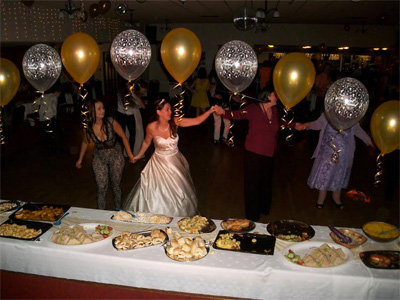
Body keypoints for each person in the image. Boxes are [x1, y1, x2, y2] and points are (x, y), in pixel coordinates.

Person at [122, 99, 221, 217]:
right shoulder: (151, 127)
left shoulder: (175, 121)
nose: (170, 112)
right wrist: (137, 156)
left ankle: (177, 217)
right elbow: (146, 143)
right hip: (158, 163)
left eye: (170, 109)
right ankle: (156, 217)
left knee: (178, 192)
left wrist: (210, 111)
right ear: (158, 112)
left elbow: (197, 121)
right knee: (156, 192)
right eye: (167, 110)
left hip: (174, 162)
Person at [221, 85, 284, 222]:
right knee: (252, 184)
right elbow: (236, 115)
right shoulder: (253, 109)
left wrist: (294, 125)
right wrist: (222, 112)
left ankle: (264, 208)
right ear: (267, 96)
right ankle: (252, 214)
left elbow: (279, 124)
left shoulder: (275, 111)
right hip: (253, 152)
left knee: (266, 182)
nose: (277, 97)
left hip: (269, 153)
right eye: (274, 95)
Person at [295, 114, 374, 209]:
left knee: (339, 175)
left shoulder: (351, 118)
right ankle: (321, 199)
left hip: (343, 154)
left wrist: (371, 142)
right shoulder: (329, 113)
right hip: (327, 153)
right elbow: (317, 124)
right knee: (325, 175)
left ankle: (336, 198)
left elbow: (359, 132)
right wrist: (305, 125)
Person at [76, 99, 135, 210]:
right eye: (99, 109)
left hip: (115, 155)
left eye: (103, 108)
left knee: (116, 185)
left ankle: (118, 211)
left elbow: (123, 137)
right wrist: (80, 160)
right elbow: (85, 142)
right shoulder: (88, 127)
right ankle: (100, 214)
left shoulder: (111, 122)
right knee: (101, 187)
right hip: (99, 157)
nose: (102, 110)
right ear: (92, 111)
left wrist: (130, 155)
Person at [116, 80, 147, 156]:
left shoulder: (133, 93)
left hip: (130, 115)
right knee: (120, 135)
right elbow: (125, 105)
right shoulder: (121, 92)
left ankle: (130, 153)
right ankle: (120, 154)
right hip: (121, 115)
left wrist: (132, 93)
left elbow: (142, 106)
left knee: (132, 135)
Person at [31, 86, 62, 155]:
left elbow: (34, 103)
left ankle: (49, 150)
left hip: (43, 119)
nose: (59, 95)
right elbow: (54, 110)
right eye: (59, 94)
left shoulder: (44, 97)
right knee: (54, 135)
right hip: (50, 119)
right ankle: (55, 150)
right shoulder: (54, 98)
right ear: (56, 92)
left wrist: (39, 110)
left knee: (48, 135)